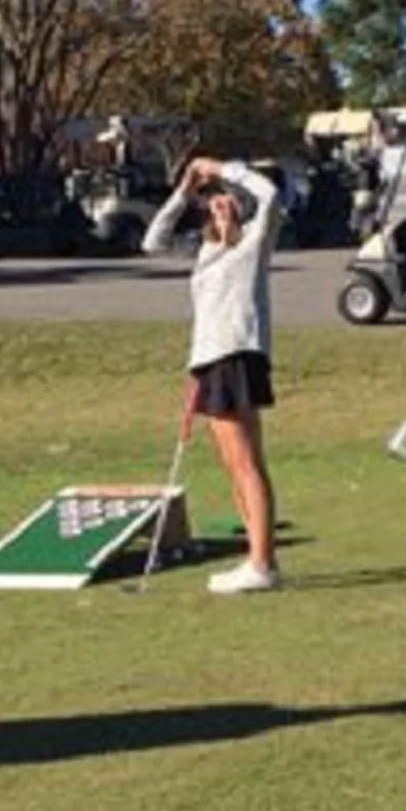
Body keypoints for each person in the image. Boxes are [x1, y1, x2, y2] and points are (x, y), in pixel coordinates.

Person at [143, 155, 282, 593]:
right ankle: (260, 561)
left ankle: (261, 565)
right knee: (234, 464)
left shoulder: (253, 242)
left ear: (240, 205)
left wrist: (225, 168)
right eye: (213, 201)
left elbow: (272, 194)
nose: (219, 205)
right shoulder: (203, 251)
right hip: (211, 361)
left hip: (237, 355)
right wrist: (184, 190)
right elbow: (153, 241)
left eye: (227, 200)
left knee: (245, 463)